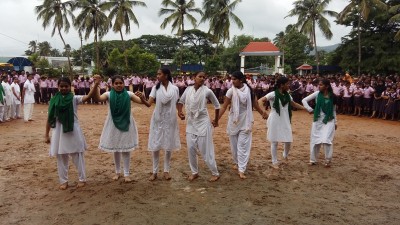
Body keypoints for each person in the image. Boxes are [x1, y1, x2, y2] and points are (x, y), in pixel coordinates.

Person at [45, 76, 100, 190]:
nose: (64, 88)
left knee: (77, 155)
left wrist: (95, 84)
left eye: (66, 86)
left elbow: (88, 96)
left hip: (72, 129)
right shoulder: (53, 100)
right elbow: (50, 118)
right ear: (58, 87)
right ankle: (63, 181)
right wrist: (46, 134)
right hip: (59, 131)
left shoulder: (74, 99)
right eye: (61, 86)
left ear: (70, 87)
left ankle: (82, 178)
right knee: (61, 156)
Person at [94, 75, 147, 183]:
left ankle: (126, 173)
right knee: (116, 149)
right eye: (116, 83)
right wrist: (95, 85)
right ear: (112, 85)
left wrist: (142, 96)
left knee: (126, 149)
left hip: (127, 123)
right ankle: (117, 172)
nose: (119, 85)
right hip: (113, 124)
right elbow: (98, 98)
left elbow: (142, 102)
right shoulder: (108, 94)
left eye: (120, 83)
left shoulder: (129, 94)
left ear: (124, 84)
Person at [218, 71, 268, 179]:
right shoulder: (230, 91)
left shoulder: (249, 91)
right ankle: (236, 162)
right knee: (234, 146)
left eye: (234, 79)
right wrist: (216, 119)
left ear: (241, 80)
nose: (232, 81)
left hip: (246, 120)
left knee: (242, 146)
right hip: (234, 120)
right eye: (232, 79)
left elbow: (255, 105)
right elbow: (224, 107)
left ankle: (241, 169)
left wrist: (263, 113)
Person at [177, 71, 221, 182]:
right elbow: (180, 101)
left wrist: (216, 120)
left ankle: (215, 172)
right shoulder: (188, 90)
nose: (202, 79)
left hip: (203, 122)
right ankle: (194, 172)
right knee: (191, 148)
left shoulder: (207, 91)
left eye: (204, 77)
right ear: (194, 77)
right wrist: (180, 112)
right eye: (199, 76)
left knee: (205, 150)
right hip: (191, 122)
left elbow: (217, 105)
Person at [138, 69, 181, 181]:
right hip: (158, 119)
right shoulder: (155, 88)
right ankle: (154, 171)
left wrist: (180, 112)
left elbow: (177, 103)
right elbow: (149, 104)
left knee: (168, 146)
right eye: (157, 74)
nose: (157, 76)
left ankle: (166, 171)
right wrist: (143, 98)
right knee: (156, 145)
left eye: (159, 74)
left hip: (170, 119)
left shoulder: (175, 89)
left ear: (166, 75)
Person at [258, 76, 306, 169]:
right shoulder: (273, 94)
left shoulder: (288, 95)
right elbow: (260, 100)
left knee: (288, 140)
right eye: (287, 84)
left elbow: (294, 104)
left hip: (285, 119)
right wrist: (263, 111)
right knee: (274, 141)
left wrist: (305, 108)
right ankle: (274, 161)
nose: (289, 85)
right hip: (274, 119)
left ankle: (285, 155)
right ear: (281, 85)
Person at [302, 79, 338, 167]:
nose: (319, 86)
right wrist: (309, 109)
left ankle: (328, 160)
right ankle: (313, 160)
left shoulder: (332, 96)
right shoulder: (317, 94)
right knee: (315, 140)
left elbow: (333, 110)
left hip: (329, 120)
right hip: (317, 120)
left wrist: (336, 122)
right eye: (319, 85)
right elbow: (304, 100)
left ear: (327, 86)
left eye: (321, 85)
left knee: (326, 140)